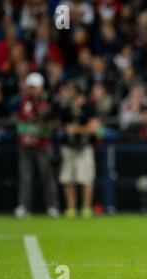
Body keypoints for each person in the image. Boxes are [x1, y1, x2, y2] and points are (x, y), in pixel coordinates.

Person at [14, 72, 59, 218]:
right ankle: (23, 206)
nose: (33, 90)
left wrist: (45, 126)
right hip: (25, 144)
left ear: (41, 87)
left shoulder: (49, 101)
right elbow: (17, 121)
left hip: (43, 145)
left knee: (48, 175)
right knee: (25, 177)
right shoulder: (22, 102)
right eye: (31, 87)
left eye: (35, 87)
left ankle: (52, 206)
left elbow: (54, 123)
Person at [58, 83, 102, 219]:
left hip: (84, 146)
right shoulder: (66, 106)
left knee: (86, 178)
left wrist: (76, 129)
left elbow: (94, 128)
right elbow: (61, 124)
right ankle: (71, 207)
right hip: (68, 145)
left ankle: (86, 207)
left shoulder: (89, 106)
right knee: (67, 177)